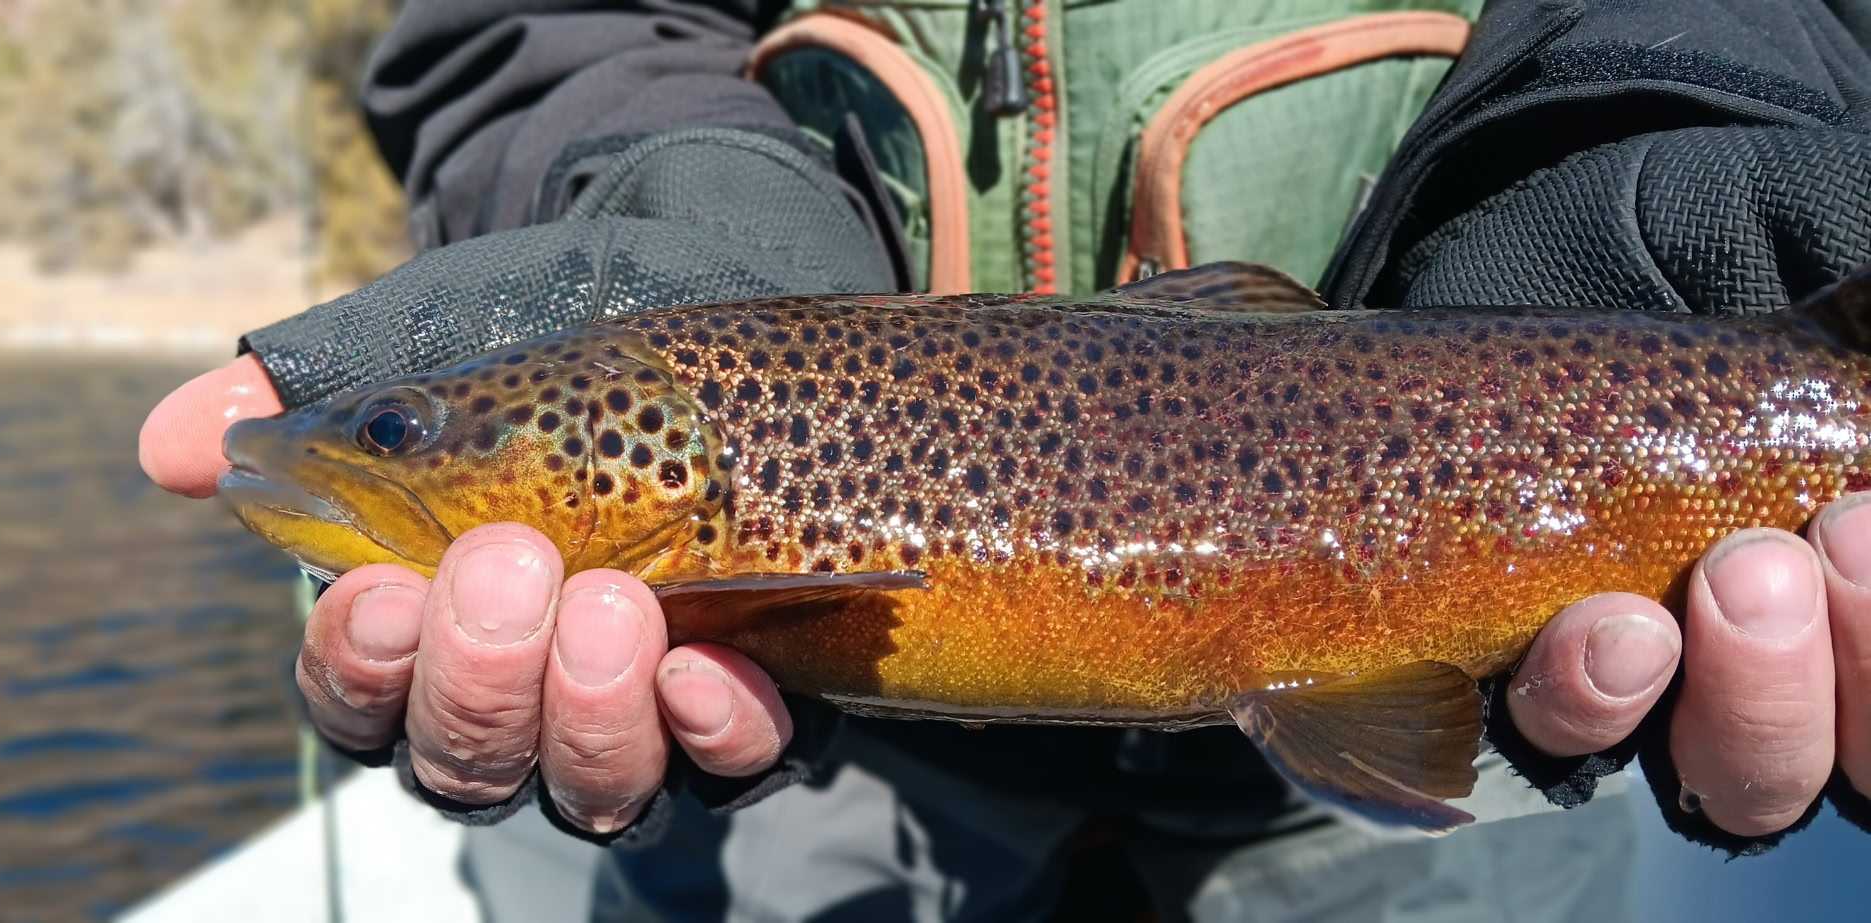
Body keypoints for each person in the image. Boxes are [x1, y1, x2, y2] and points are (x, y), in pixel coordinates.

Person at [141, 0, 1871, 917]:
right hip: (829, 817)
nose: (361, 455)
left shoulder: (704, 527)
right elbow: (562, 22)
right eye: (406, 431)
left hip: (1437, 825)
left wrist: (1672, 120)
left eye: (402, 433)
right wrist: (644, 191)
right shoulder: (683, 435)